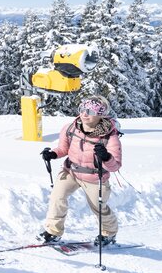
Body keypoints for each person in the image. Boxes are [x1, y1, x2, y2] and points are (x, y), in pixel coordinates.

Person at [37, 95, 122, 246]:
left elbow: (115, 166)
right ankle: (53, 232)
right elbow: (63, 149)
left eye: (90, 111)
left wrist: (106, 156)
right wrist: (52, 154)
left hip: (95, 177)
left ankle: (109, 233)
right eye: (82, 109)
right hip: (71, 171)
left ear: (100, 114)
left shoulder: (110, 136)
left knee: (98, 207)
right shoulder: (70, 128)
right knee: (57, 197)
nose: (84, 114)